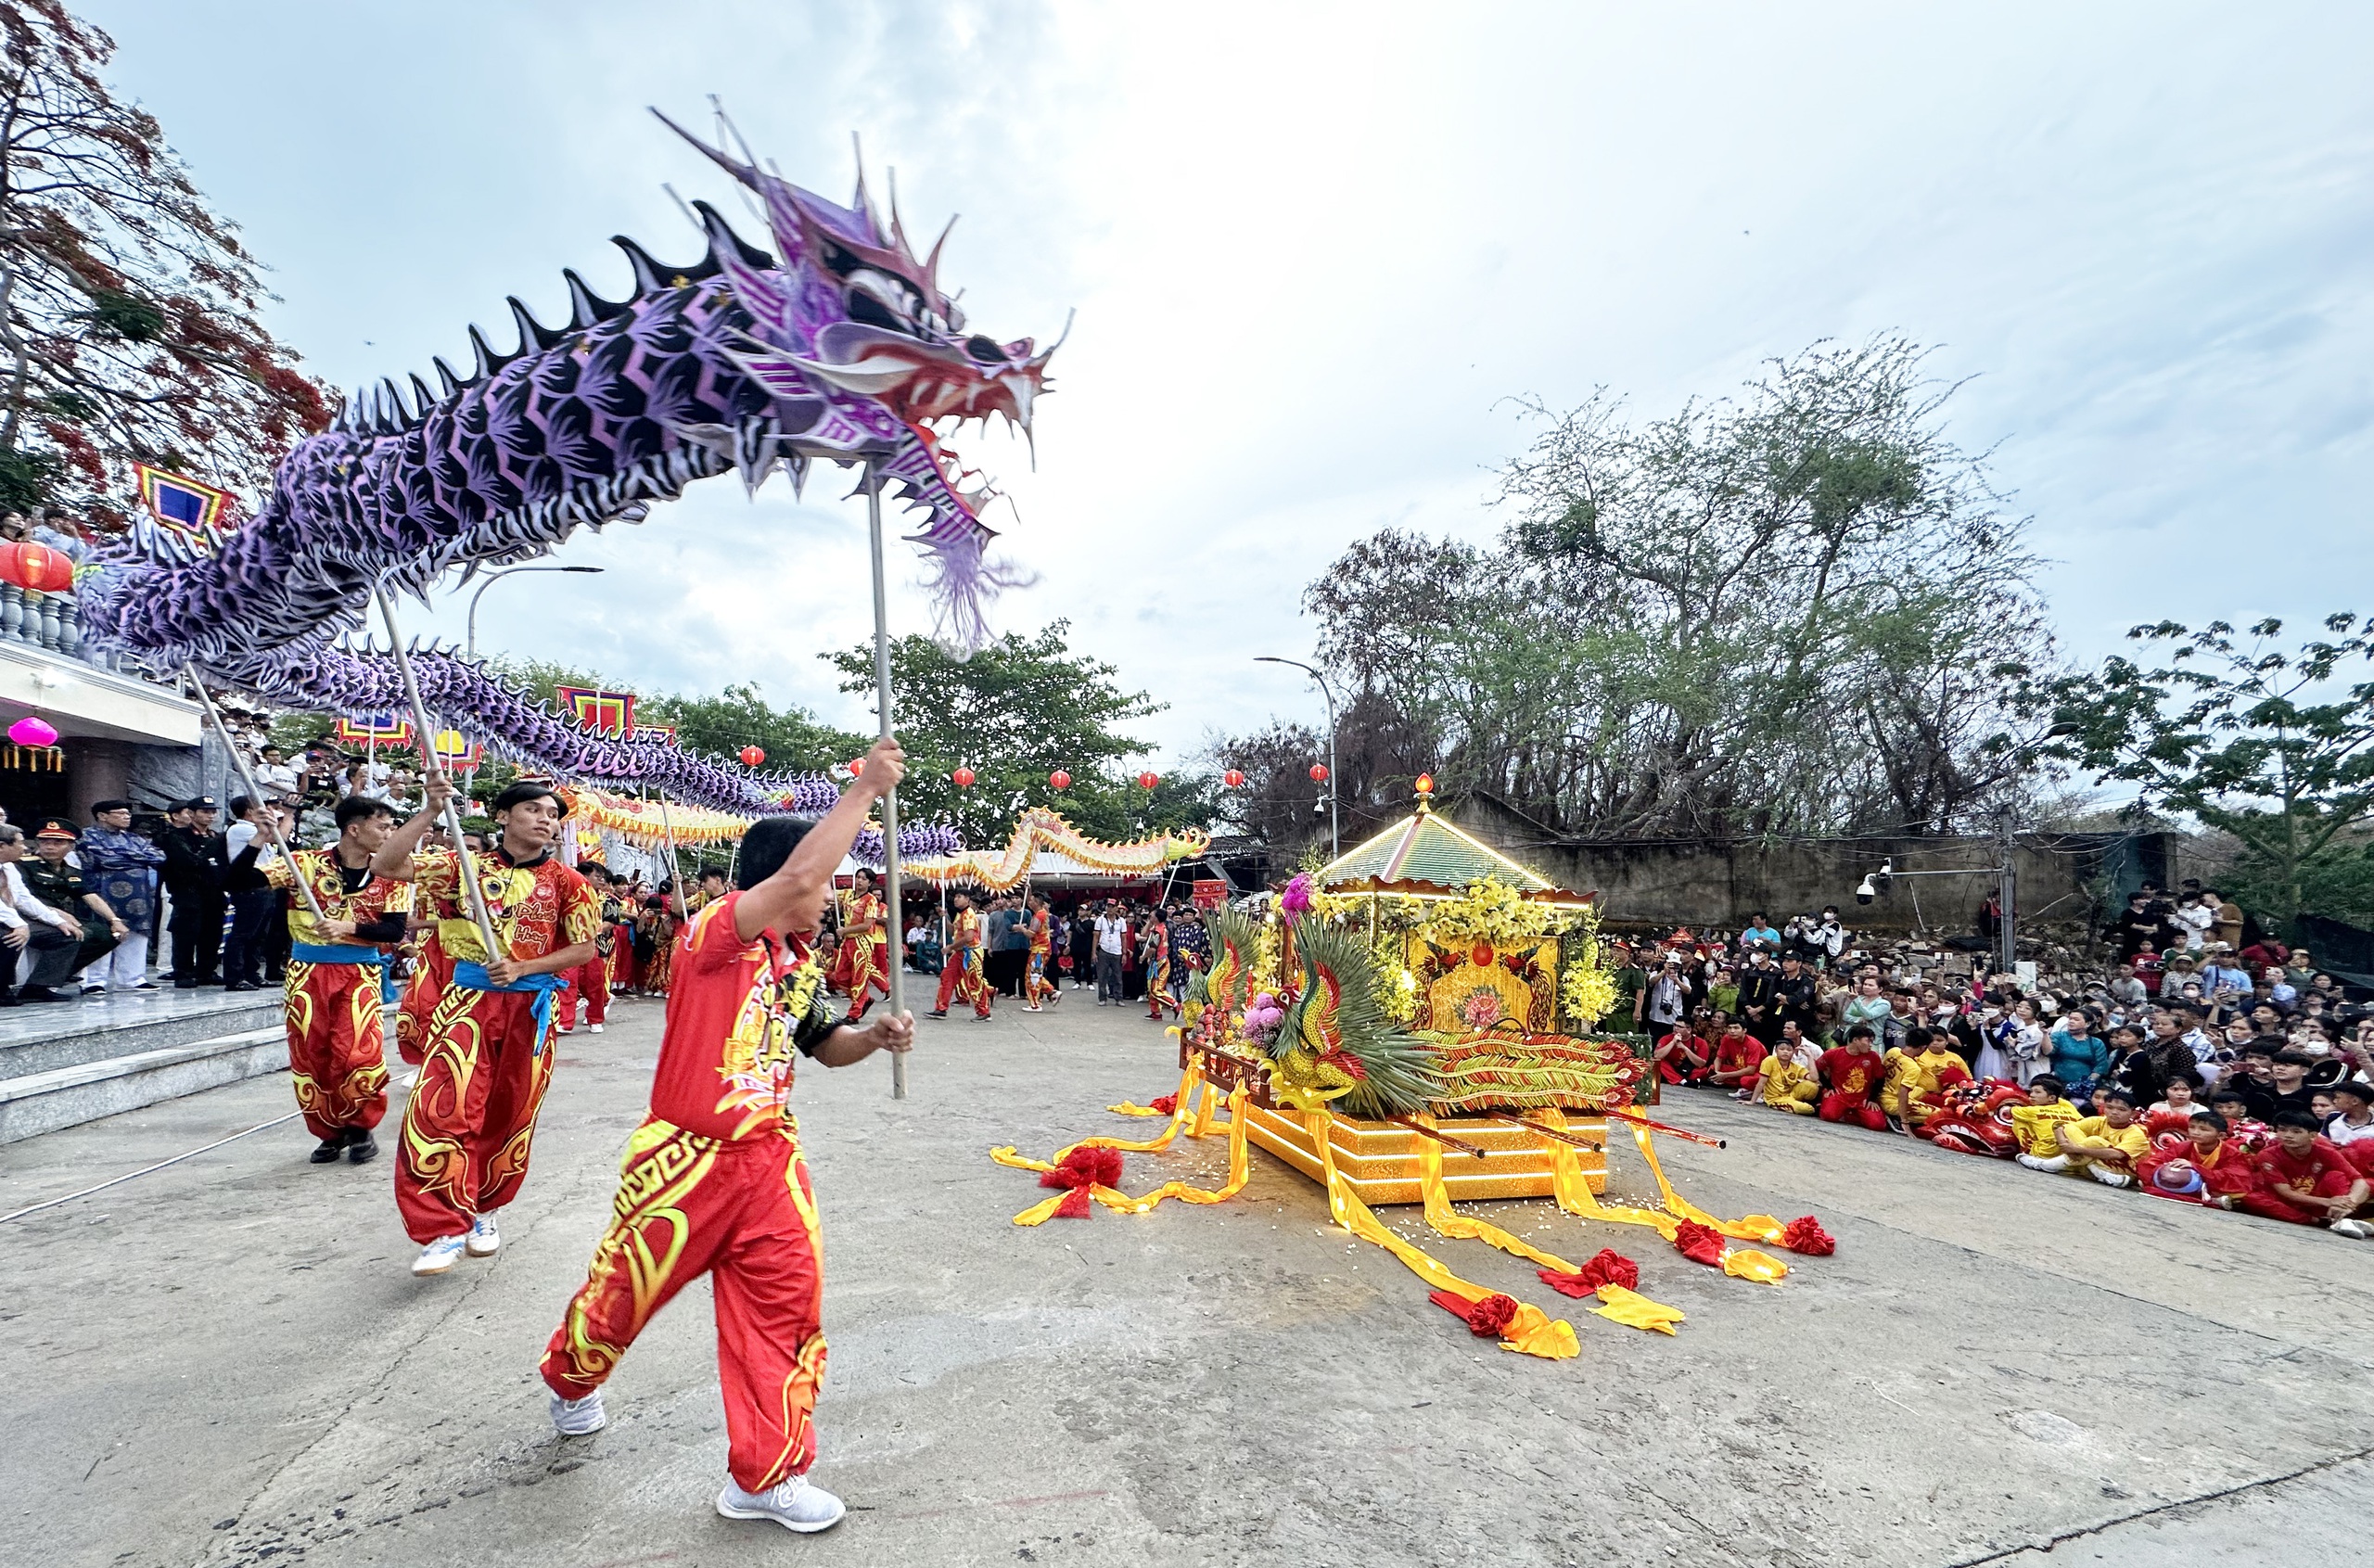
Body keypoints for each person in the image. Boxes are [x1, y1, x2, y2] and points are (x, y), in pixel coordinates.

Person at [540, 737, 915, 1534]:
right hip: (683, 1162)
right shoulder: (716, 933)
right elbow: (802, 875)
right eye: (825, 883)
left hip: (770, 1161)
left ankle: (767, 1476)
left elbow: (827, 1048)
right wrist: (864, 789)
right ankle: (570, 1378)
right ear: (782, 880)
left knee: (786, 1308)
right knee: (621, 1299)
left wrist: (874, 1038)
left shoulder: (801, 964)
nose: (832, 897)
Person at [373, 775, 601, 1276]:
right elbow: (385, 865)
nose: (546, 819)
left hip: (531, 1012)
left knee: (509, 1112)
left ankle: (484, 1208)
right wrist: (431, 810)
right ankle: (443, 1225)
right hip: (467, 1005)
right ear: (502, 816)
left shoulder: (571, 883)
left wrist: (524, 967)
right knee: (444, 1108)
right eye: (535, 810)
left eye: (553, 814)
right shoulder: (461, 867)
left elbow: (583, 949)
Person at [263, 796, 412, 1164]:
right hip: (306, 975)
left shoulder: (390, 874)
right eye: (383, 826)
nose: (389, 834)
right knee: (311, 1054)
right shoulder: (303, 864)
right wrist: (260, 838)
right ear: (354, 828)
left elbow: (393, 931)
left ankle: (361, 1126)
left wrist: (348, 927)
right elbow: (237, 882)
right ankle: (330, 1131)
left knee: (357, 1052)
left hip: (358, 973)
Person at [22, 818, 126, 994]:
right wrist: (58, 914)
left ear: (71, 847)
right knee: (71, 935)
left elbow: (90, 896)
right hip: (32, 916)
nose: (49, 846)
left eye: (57, 842)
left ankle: (62, 972)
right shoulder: (24, 865)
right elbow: (24, 898)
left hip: (60, 918)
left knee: (107, 935)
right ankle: (38, 987)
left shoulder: (72, 871)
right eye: (45, 841)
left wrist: (114, 920)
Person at [75, 800, 162, 992]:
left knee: (136, 934)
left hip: (138, 895)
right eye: (121, 813)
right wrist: (135, 858)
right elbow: (103, 859)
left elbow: (158, 856)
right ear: (102, 816)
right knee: (102, 933)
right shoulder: (86, 837)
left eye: (128, 813)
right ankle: (94, 981)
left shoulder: (134, 838)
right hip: (102, 892)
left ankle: (133, 978)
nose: (127, 816)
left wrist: (122, 855)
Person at [2238, 1112, 2372, 1234]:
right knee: (2253, 1199)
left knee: (2335, 1176)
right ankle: (2319, 1221)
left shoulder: (2326, 1152)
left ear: (2313, 1136)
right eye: (2282, 1130)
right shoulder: (2267, 1155)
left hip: (2324, 1202)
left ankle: (2343, 1216)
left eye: (2296, 1132)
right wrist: (2327, 1202)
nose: (2288, 1135)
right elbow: (2286, 1193)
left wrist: (2349, 1203)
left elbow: (2359, 1181)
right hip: (2290, 1203)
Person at [0, 824, 88, 1001]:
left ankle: (38, 987)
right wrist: (19, 925)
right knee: (9, 936)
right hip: (7, 920)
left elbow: (25, 899)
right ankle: (2, 989)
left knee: (66, 936)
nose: (25, 848)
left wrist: (58, 922)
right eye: (20, 843)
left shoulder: (9, 868)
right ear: (2, 845)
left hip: (11, 918)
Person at [162, 796, 228, 987]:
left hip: (213, 891)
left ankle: (206, 971)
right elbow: (188, 861)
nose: (210, 816)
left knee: (212, 933)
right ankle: (182, 972)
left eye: (212, 812)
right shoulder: (177, 836)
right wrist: (208, 856)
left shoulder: (214, 836)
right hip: (188, 890)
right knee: (186, 933)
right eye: (205, 811)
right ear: (191, 813)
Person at [2025, 1088, 2149, 1187]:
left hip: (2121, 1172)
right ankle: (2097, 1172)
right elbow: (2060, 1128)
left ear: (2133, 1113)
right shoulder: (2098, 1121)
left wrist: (2077, 1150)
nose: (2114, 1112)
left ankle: (2047, 1165)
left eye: (2121, 1109)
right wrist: (2066, 1146)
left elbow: (2117, 1155)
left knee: (2094, 1141)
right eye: (2110, 1108)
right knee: (2070, 1128)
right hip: (2092, 1167)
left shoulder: (2136, 1133)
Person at [220, 796, 280, 991]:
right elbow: (278, 836)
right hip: (248, 885)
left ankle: (251, 973)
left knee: (258, 935)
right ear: (249, 811)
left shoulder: (252, 829)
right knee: (242, 933)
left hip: (265, 884)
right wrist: (287, 814)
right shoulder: (241, 828)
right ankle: (234, 976)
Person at [2136, 1112, 2259, 1206]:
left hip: (2212, 1188)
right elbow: (2151, 1163)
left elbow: (2238, 1179)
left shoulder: (2232, 1153)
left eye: (2203, 1129)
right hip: (2180, 1184)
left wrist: (2196, 1168)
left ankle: (2208, 1198)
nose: (2195, 1132)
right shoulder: (2183, 1146)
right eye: (2192, 1127)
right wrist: (2166, 1169)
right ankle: (2212, 1201)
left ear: (2221, 1135)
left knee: (2241, 1195)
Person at [558, 863, 615, 1036]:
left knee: (594, 983)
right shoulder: (567, 894)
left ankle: (595, 1019)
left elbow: (611, 921)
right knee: (567, 982)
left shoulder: (608, 899)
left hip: (592, 945)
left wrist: (592, 929)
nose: (602, 880)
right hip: (569, 945)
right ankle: (565, 1022)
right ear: (583, 876)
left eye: (602, 877)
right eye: (597, 876)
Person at [835, 868, 890, 1023]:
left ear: (870, 882)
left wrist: (845, 930)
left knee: (860, 978)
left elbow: (867, 925)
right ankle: (864, 999)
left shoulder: (870, 900)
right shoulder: (847, 894)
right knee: (839, 976)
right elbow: (830, 896)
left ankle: (854, 1014)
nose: (859, 881)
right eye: (858, 877)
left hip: (862, 942)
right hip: (847, 942)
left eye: (863, 879)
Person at [930, 890, 992, 1021]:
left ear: (967, 899)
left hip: (970, 953)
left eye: (959, 897)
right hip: (959, 953)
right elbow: (953, 930)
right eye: (955, 897)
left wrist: (950, 947)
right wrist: (944, 917)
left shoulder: (969, 914)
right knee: (946, 977)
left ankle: (984, 1011)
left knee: (974, 982)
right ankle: (941, 1008)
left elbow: (969, 937)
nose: (956, 899)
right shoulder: (960, 914)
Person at [1816, 1025, 1889, 1129]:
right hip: (1840, 1094)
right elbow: (1819, 1067)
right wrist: (1828, 1087)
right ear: (1856, 1040)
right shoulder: (1833, 1053)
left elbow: (1880, 1078)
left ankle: (1851, 1114)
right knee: (1828, 1116)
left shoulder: (1873, 1057)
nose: (1870, 1045)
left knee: (1878, 1125)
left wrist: (1872, 1098)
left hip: (1862, 1098)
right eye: (1868, 1041)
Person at [2007, 1075, 2083, 1166]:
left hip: (2045, 1153)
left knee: (2018, 1119)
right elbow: (2060, 1100)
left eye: (2037, 1092)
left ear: (2051, 1098)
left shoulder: (2030, 1111)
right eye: (2031, 1091)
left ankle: (2028, 1152)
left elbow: (2009, 1110)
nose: (2031, 1095)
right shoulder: (2069, 1107)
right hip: (2073, 1148)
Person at [1707, 1019, 1766, 1099]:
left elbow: (1751, 1070)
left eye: (1736, 1028)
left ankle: (1757, 1091)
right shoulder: (1726, 1038)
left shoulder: (1752, 1044)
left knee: (1745, 1081)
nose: (1732, 1031)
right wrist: (1717, 1072)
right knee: (1712, 1068)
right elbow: (1719, 1058)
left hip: (1757, 1074)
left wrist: (1724, 1076)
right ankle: (1744, 1089)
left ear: (1744, 1030)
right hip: (1739, 1070)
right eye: (1729, 1028)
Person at [1023, 895, 1058, 1012]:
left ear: (1037, 902)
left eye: (1031, 901)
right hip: (1040, 949)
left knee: (1033, 976)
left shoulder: (1039, 915)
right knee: (1035, 975)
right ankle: (1051, 991)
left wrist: (1021, 929)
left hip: (1039, 951)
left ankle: (1035, 1004)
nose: (1029, 902)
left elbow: (1031, 933)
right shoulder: (1042, 913)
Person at [1140, 908, 1176, 1020]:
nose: (1150, 914)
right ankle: (1156, 1012)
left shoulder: (1157, 931)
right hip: (1156, 961)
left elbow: (1152, 949)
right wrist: (1150, 922)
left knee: (1156, 989)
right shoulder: (1159, 927)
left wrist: (1143, 956)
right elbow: (1143, 933)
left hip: (1160, 962)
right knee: (1151, 988)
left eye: (1153, 914)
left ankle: (1174, 1004)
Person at [1092, 899, 1128, 1005]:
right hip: (1103, 950)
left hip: (1117, 951)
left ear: (1117, 908)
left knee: (1117, 976)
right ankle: (1102, 998)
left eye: (1112, 906)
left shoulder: (1121, 921)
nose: (1110, 909)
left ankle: (1119, 998)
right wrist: (1093, 952)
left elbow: (1124, 937)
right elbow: (1096, 936)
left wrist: (1124, 952)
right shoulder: (1100, 920)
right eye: (1108, 906)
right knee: (1102, 976)